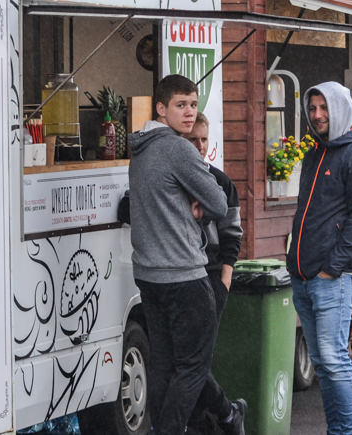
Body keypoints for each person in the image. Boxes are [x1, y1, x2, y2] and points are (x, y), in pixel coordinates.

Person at [127, 75, 243, 435]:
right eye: (181, 105)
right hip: (184, 277)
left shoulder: (140, 149)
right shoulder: (177, 149)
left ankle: (216, 418)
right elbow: (219, 202)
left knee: (164, 366)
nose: (190, 112)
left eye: (193, 104)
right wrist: (200, 206)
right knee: (192, 367)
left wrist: (191, 204)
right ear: (161, 109)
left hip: (148, 276)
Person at [286, 82, 352, 435]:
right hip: (304, 277)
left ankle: (348, 433)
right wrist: (296, 265)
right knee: (324, 363)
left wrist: (331, 269)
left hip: (333, 278)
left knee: (334, 359)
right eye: (312, 108)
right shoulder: (316, 152)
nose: (317, 115)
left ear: (340, 108)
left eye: (324, 107)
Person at [183, 113, 247, 433]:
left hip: (211, 276)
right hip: (181, 276)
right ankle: (225, 414)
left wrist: (225, 279)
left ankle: (221, 416)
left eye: (204, 139)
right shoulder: (173, 180)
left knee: (196, 360)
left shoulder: (221, 183)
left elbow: (233, 236)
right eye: (192, 139)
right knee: (188, 360)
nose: (199, 145)